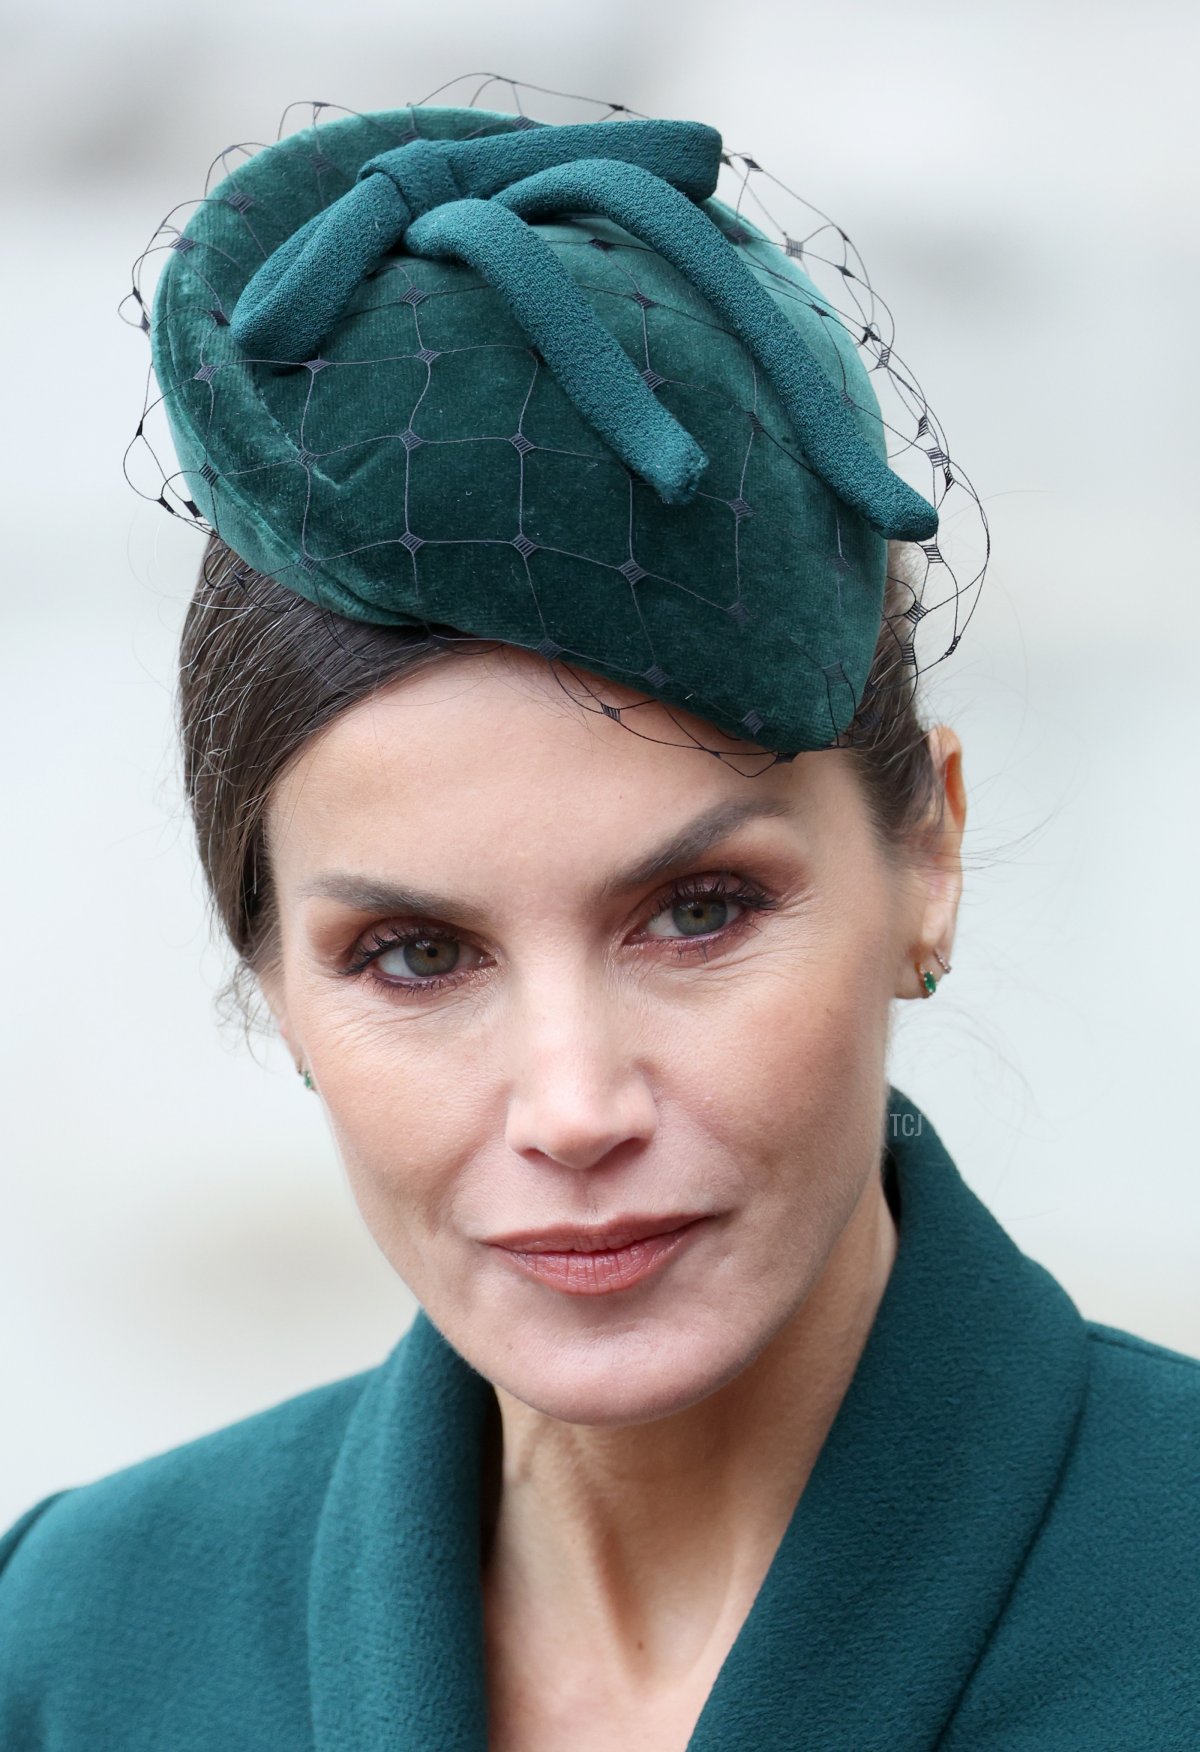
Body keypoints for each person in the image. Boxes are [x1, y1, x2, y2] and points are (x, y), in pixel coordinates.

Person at [2, 90, 1197, 1751]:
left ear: (926, 853)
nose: (574, 1108)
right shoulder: (82, 1647)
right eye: (415, 955)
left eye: (698, 913)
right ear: (269, 978)